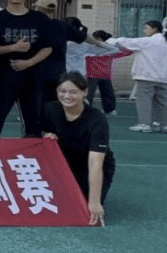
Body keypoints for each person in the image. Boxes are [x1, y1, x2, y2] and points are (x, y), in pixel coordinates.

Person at [0, 0, 53, 138]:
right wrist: (13, 48)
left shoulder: (40, 19)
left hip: (32, 80)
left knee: (33, 125)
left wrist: (28, 62)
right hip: (1, 80)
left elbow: (48, 47)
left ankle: (31, 152)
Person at [41, 72, 114, 226]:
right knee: (56, 202)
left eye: (73, 92)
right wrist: (46, 135)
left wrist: (95, 202)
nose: (67, 96)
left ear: (85, 92)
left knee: (83, 207)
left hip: (90, 165)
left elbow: (95, 163)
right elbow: (36, 137)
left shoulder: (97, 119)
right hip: (63, 163)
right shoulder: (50, 109)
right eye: (62, 91)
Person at [107, 21, 167, 133]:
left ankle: (144, 124)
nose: (144, 31)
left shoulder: (147, 41)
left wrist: (110, 40)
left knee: (144, 101)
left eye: (146, 28)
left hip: (147, 76)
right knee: (163, 102)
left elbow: (127, 42)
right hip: (163, 77)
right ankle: (165, 125)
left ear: (154, 28)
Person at [85, 30, 129, 115]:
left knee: (89, 93)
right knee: (107, 93)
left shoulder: (90, 48)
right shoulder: (111, 49)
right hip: (104, 75)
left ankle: (86, 109)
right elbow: (126, 52)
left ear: (98, 39)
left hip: (92, 74)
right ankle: (110, 110)